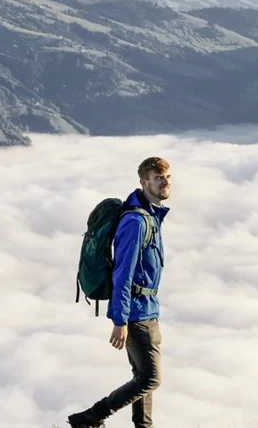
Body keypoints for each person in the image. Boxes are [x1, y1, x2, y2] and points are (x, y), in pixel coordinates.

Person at [68, 157, 171, 428]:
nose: (165, 181)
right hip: (136, 313)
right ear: (143, 182)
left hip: (149, 309)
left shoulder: (150, 216)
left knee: (142, 377)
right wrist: (119, 320)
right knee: (151, 378)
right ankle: (89, 417)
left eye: (167, 177)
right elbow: (122, 273)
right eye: (158, 177)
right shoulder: (136, 222)